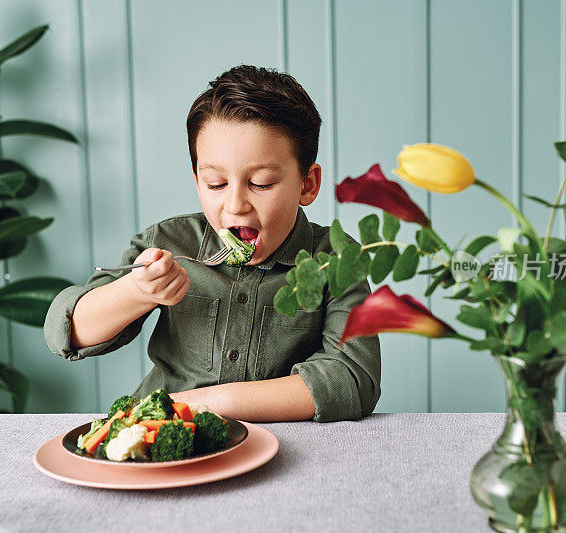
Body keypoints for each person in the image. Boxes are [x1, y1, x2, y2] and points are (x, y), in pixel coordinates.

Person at [44, 65, 380, 422]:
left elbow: (353, 378)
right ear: (197, 180)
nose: (235, 205)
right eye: (216, 184)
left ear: (307, 185)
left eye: (262, 183)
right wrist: (137, 291)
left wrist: (202, 404)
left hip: (269, 443)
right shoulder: (169, 243)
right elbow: (64, 333)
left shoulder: (337, 258)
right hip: (161, 438)